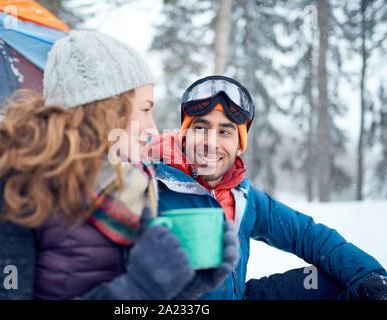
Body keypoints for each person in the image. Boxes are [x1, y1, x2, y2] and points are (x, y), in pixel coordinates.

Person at [0, 31, 239, 300]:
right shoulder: (2, 194)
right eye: (145, 110)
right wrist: (140, 289)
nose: (153, 129)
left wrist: (183, 287)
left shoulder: (129, 191)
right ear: (104, 110)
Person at [148, 75, 387, 300]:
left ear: (240, 145)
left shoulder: (242, 196)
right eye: (201, 128)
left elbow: (307, 234)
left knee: (338, 281)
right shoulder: (149, 184)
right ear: (184, 135)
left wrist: (371, 275)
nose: (211, 142)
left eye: (225, 132)